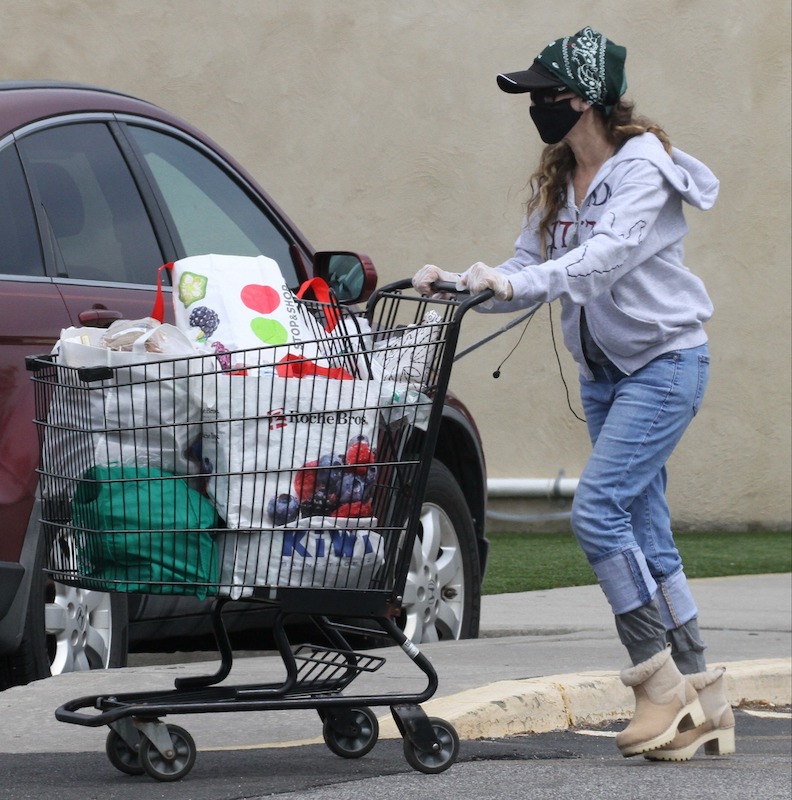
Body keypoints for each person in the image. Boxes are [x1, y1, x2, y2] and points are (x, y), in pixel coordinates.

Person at [413, 26, 735, 761]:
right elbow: (525, 269)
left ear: (583, 98)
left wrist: (518, 280)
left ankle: (656, 685)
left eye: (543, 93)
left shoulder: (643, 169)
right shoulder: (560, 180)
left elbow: (602, 262)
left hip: (664, 366)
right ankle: (706, 698)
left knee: (596, 510)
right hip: (606, 378)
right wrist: (461, 289)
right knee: (648, 533)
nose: (534, 106)